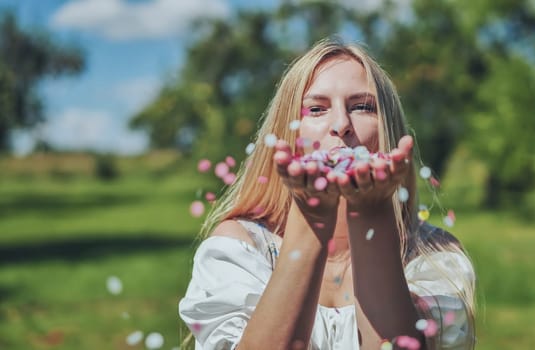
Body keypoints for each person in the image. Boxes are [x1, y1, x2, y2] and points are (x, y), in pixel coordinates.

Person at [179, 37, 476, 350]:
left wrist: (371, 216)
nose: (341, 124)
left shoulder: (433, 256)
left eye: (362, 107)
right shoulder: (243, 248)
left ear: (389, 128)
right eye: (317, 109)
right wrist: (310, 222)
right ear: (287, 133)